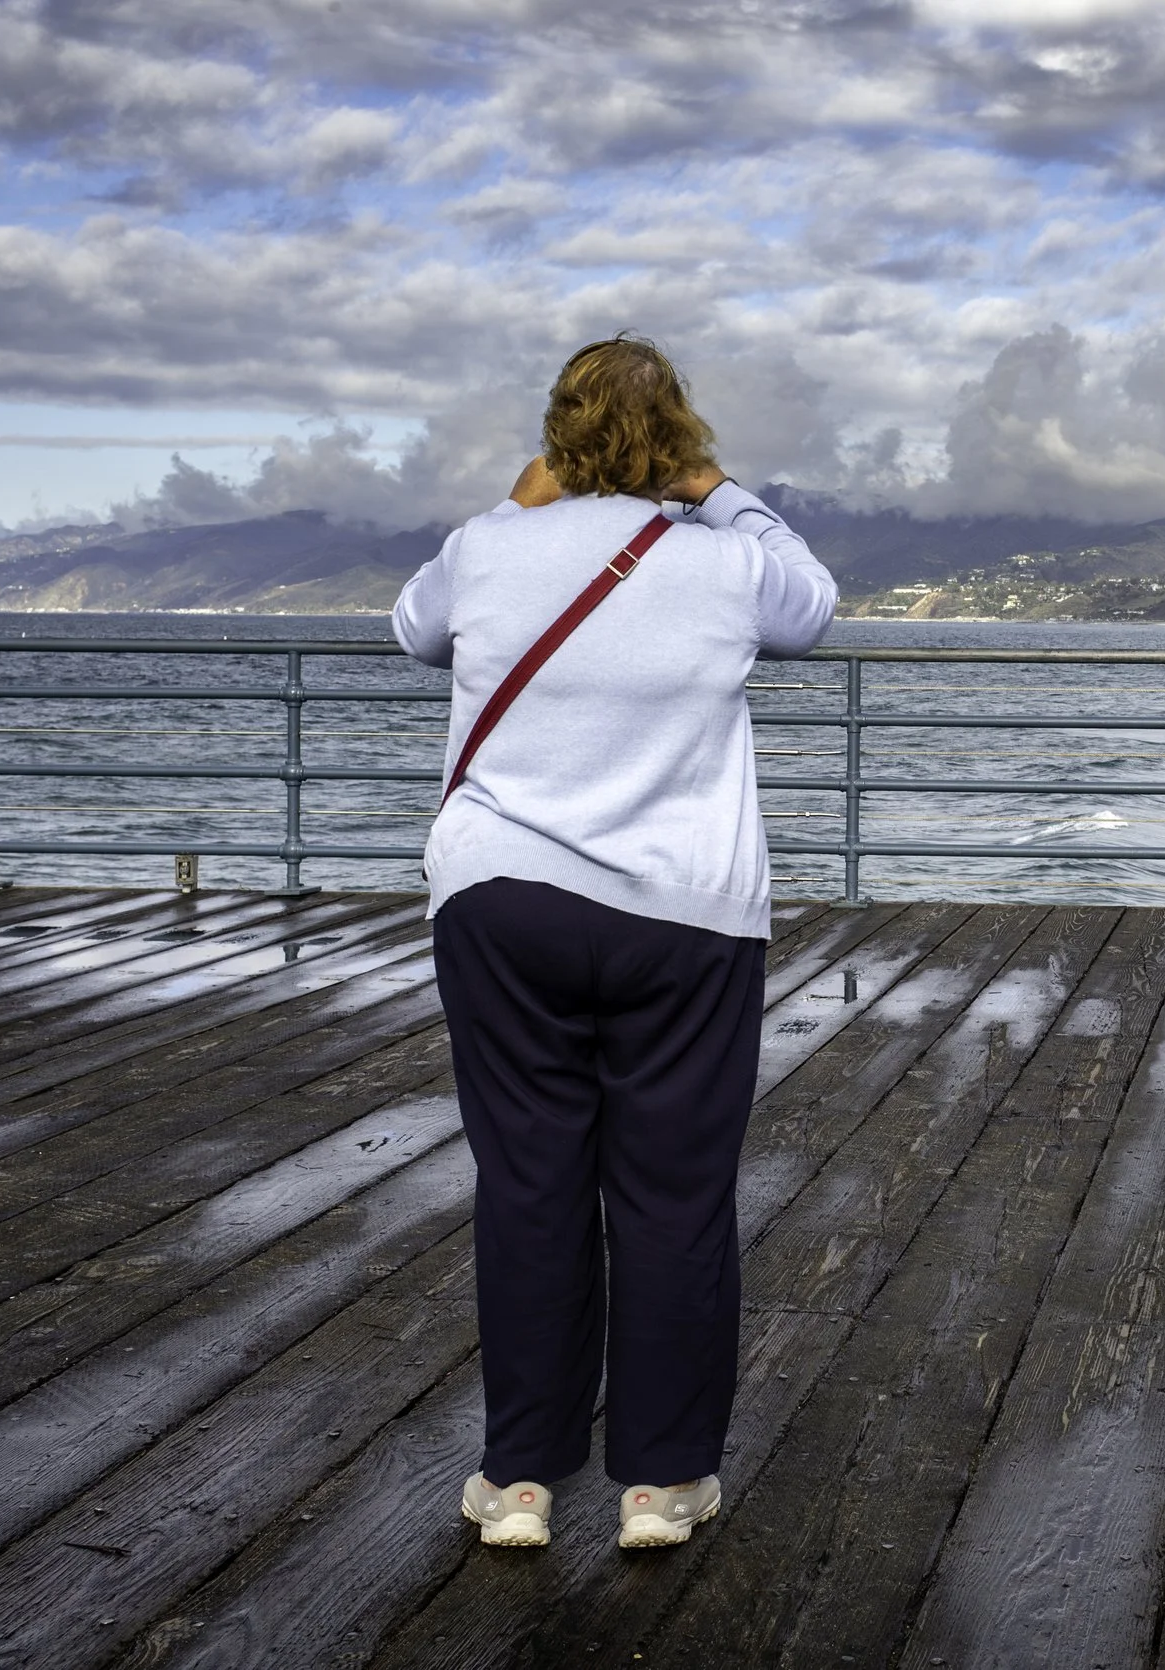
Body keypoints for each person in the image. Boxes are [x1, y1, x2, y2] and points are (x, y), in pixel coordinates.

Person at [393, 336, 836, 1551]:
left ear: (555, 432)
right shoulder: (729, 563)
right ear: (679, 435)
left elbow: (411, 628)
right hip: (684, 915)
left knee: (529, 1184)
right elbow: (817, 605)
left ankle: (521, 1480)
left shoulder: (486, 548)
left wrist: (515, 500)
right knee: (674, 1198)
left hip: (503, 901)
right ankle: (661, 1480)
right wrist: (714, 488)